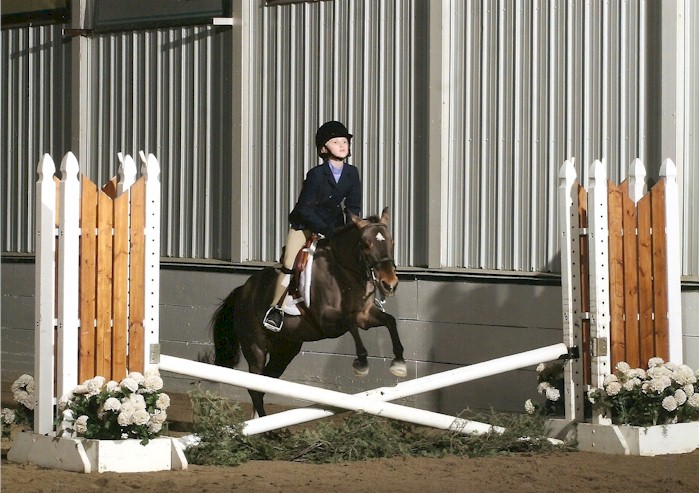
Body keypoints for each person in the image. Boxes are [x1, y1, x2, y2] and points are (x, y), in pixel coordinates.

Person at [263, 120, 362, 331]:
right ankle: (276, 309)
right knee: (290, 263)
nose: (342, 145)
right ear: (324, 148)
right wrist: (326, 230)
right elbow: (304, 209)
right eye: (336, 142)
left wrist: (353, 228)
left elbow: (353, 207)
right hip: (305, 224)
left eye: (345, 141)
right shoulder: (316, 174)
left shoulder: (352, 173)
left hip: (334, 225)